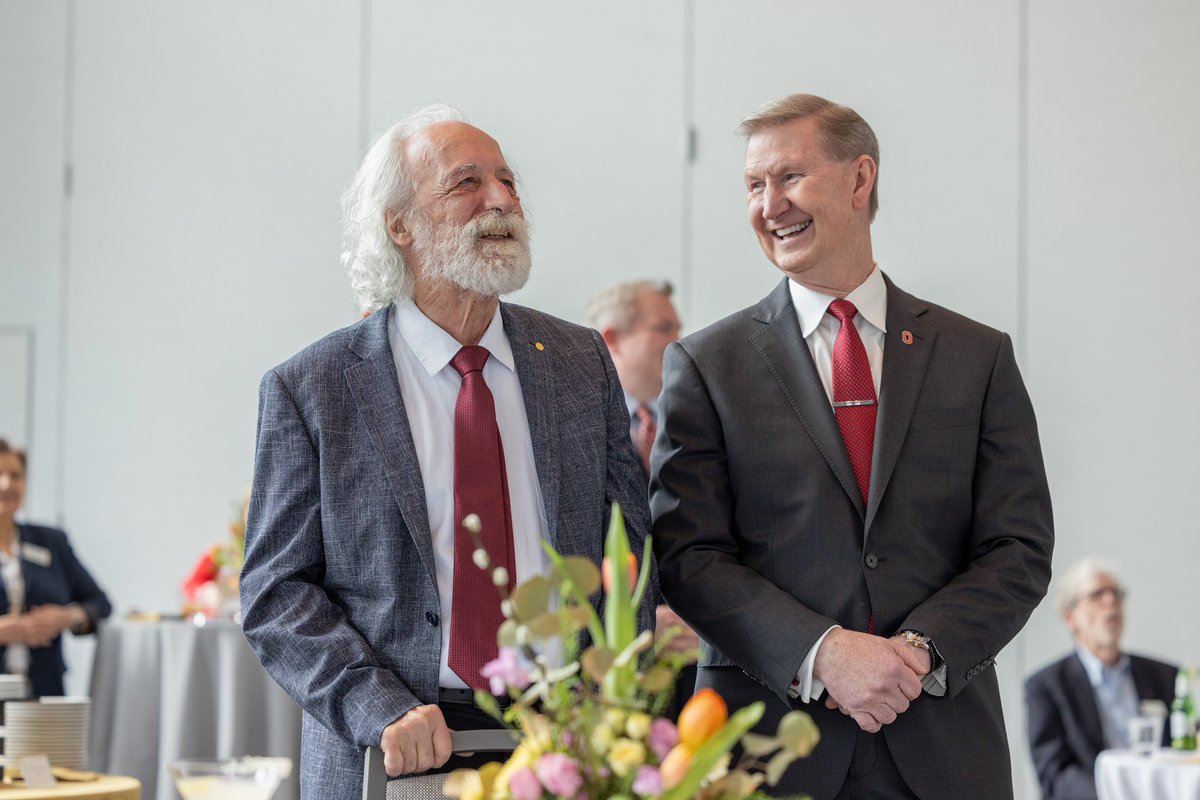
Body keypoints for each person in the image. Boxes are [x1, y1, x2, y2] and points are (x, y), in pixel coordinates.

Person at [240, 105, 654, 800]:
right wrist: (378, 706)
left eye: (508, 181)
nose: (501, 200)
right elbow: (275, 593)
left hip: (563, 746)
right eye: (467, 183)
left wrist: (611, 693)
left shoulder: (581, 363)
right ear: (398, 225)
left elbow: (630, 546)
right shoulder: (312, 387)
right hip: (392, 750)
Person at [650, 93, 1055, 799]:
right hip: (768, 751)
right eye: (752, 186)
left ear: (860, 179)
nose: (769, 204)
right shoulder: (706, 366)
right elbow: (689, 556)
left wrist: (916, 656)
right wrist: (823, 653)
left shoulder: (978, 356)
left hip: (943, 750)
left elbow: (1018, 548)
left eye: (788, 177)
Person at [585, 280, 697, 716]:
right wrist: (641, 619)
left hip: (692, 672)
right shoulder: (573, 431)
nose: (680, 341)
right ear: (613, 338)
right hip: (604, 678)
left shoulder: (694, 421)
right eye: (663, 328)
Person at [1025, 559, 1176, 800]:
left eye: (1116, 593)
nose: (1111, 601)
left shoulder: (1165, 676)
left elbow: (1188, 745)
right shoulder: (1047, 686)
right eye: (1097, 595)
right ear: (1070, 617)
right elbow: (1055, 775)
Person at [0, 438, 112, 697]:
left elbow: (100, 603)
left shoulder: (50, 542)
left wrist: (68, 617)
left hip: (43, 692)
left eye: (15, 475)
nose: (7, 484)